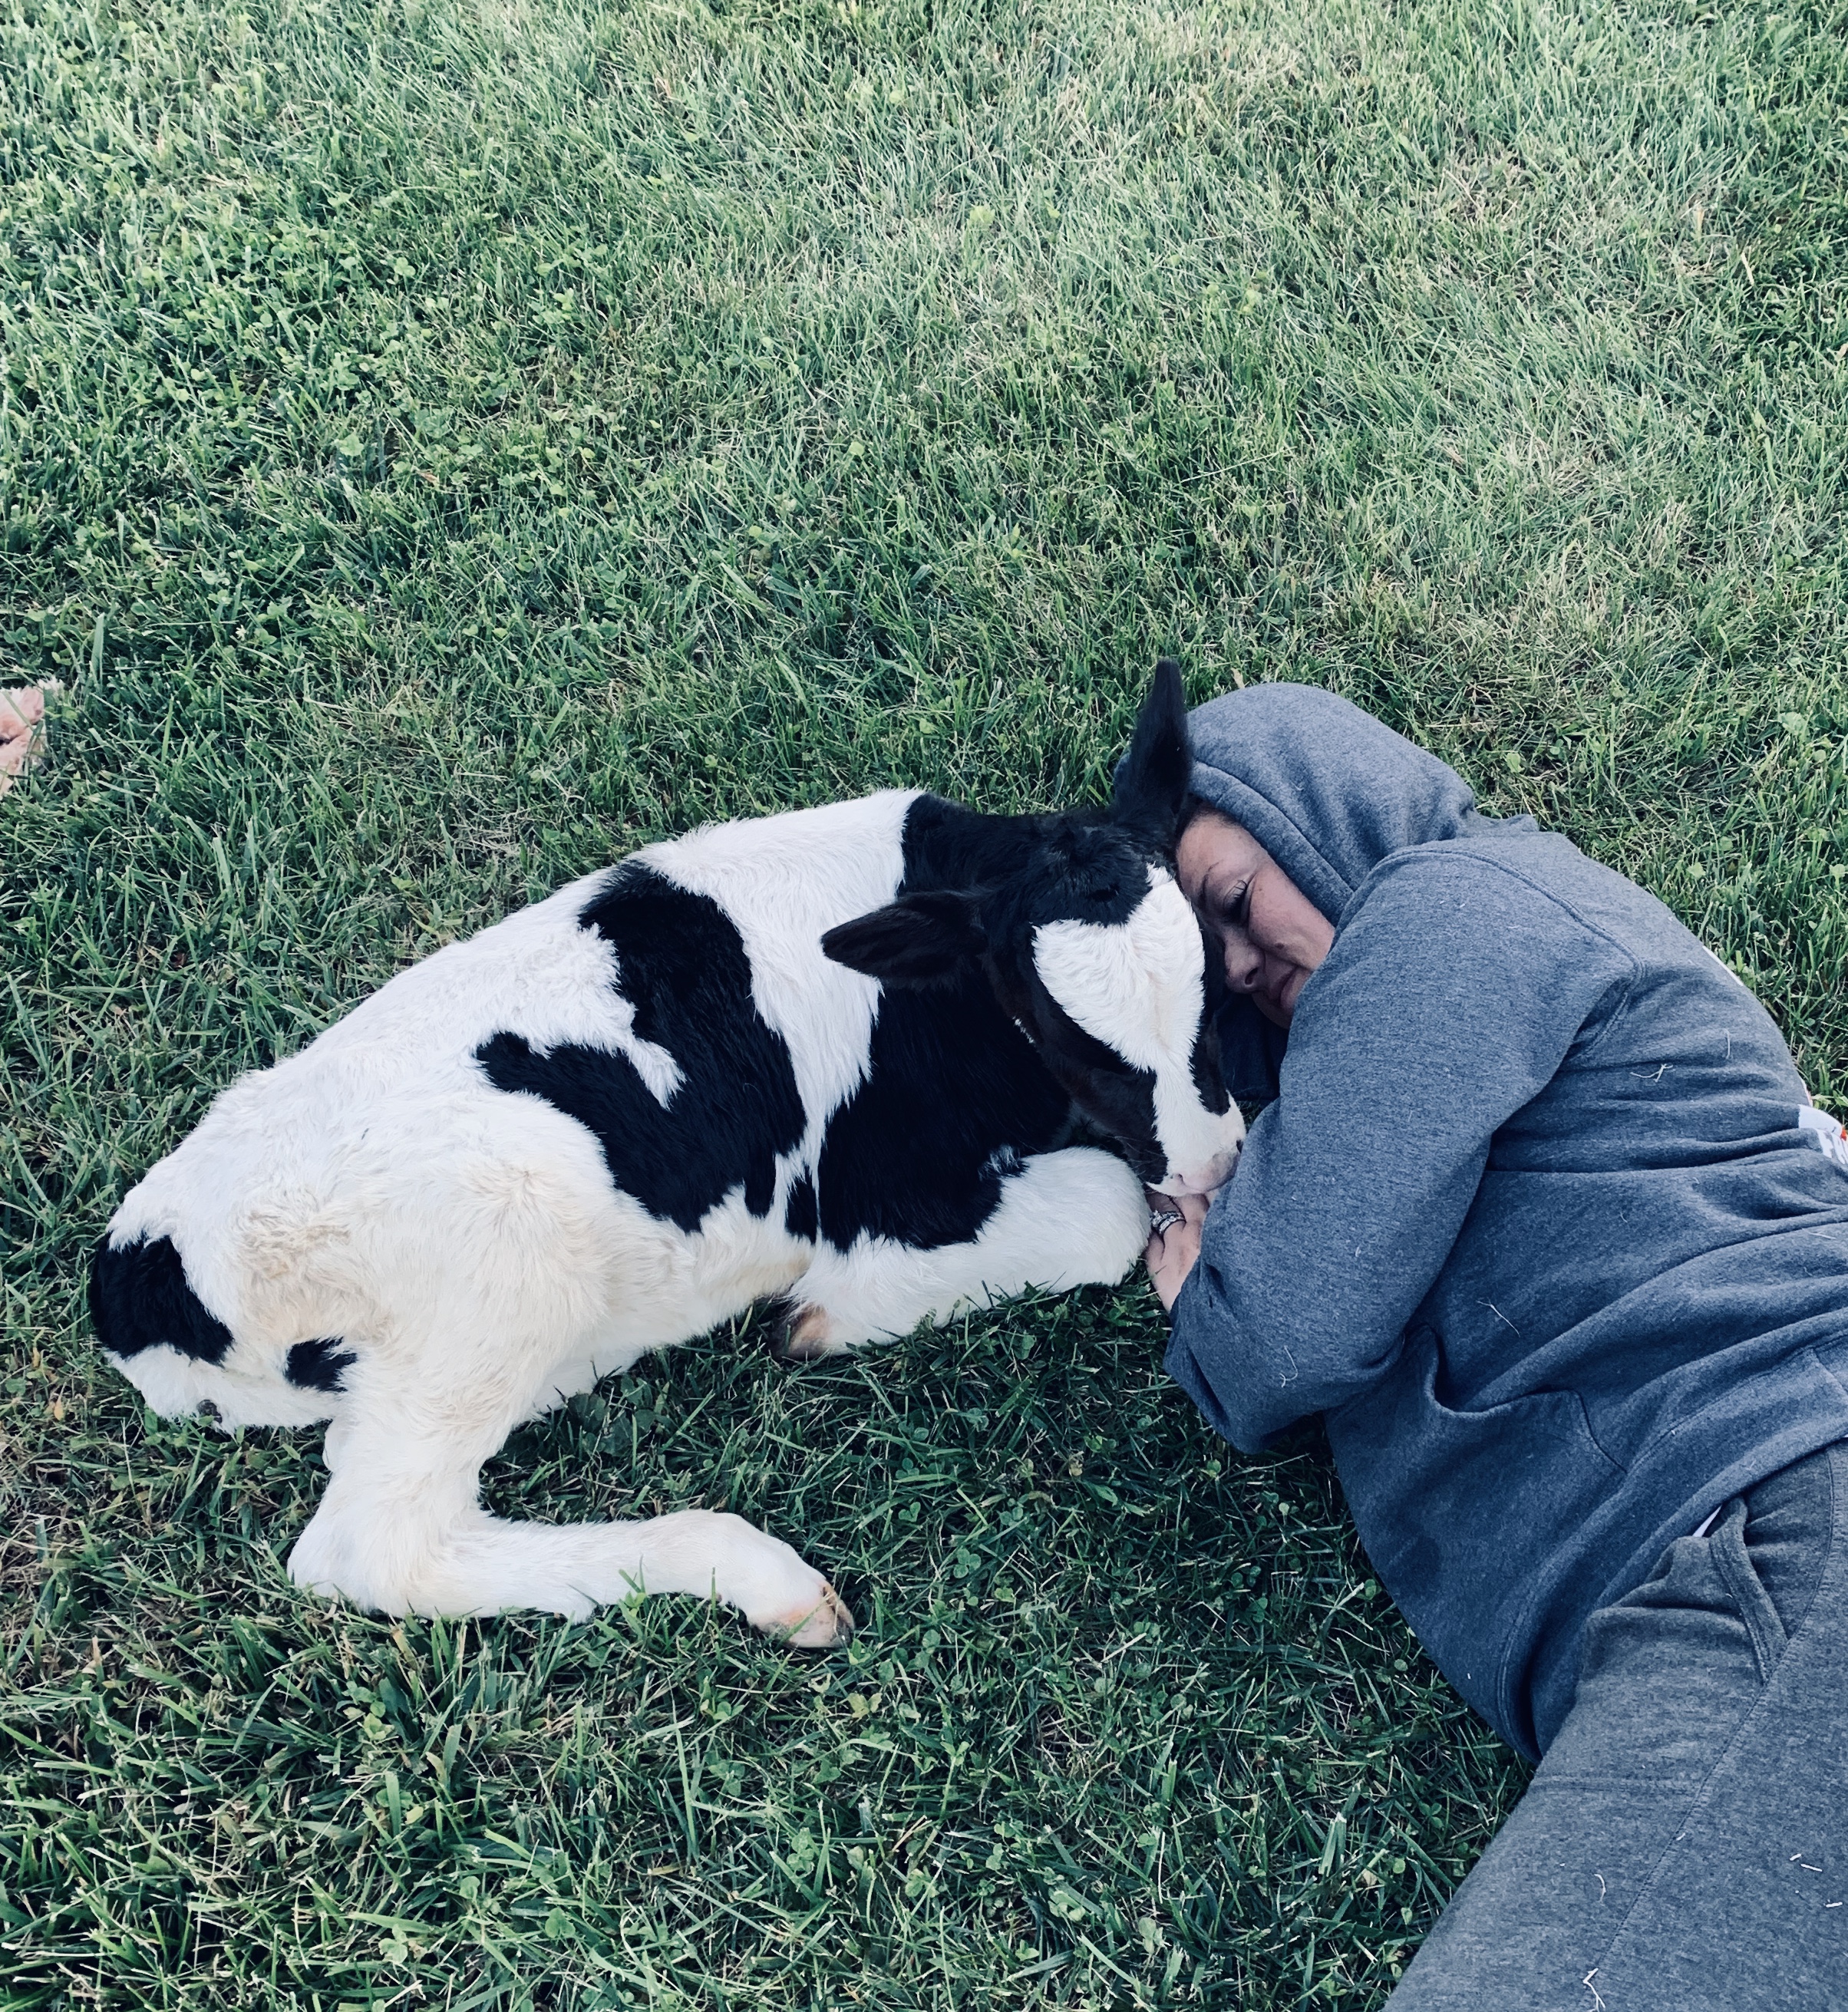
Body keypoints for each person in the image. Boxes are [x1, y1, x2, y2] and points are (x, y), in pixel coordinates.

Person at [1141, 681, 1848, 2010]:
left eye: (1234, 900)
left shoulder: (1444, 908)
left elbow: (1284, 1333)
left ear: (1317, 807)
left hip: (1768, 1518)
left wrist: (1211, 1308)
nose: (1233, 962)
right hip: (1721, 1555)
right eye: (1201, 957)